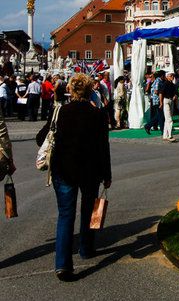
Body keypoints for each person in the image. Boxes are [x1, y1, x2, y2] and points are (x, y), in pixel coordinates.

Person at [50, 73, 111, 281]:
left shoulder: (61, 111)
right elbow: (104, 147)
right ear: (90, 91)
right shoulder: (98, 115)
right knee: (88, 210)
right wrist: (107, 174)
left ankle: (63, 265)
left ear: (70, 89)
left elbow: (43, 137)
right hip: (90, 171)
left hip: (63, 169)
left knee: (66, 215)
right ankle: (86, 248)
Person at [161, 72, 177, 142]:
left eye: (173, 76)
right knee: (169, 119)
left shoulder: (173, 85)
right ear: (167, 77)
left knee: (167, 119)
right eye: (171, 76)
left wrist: (175, 96)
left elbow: (175, 93)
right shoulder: (165, 84)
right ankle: (170, 136)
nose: (172, 77)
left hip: (171, 101)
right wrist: (161, 102)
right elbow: (161, 93)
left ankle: (165, 135)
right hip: (166, 100)